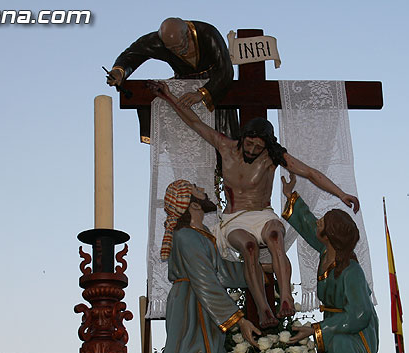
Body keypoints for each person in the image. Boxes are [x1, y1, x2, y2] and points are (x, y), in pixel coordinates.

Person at [150, 80, 360, 329]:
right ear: (242, 138)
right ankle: (263, 310)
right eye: (249, 144)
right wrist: (168, 97)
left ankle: (285, 299)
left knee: (274, 236)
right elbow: (194, 123)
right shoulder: (226, 147)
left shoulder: (272, 158)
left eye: (258, 147)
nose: (251, 150)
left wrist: (341, 193)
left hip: (262, 213)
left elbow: (311, 173)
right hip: (234, 218)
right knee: (249, 247)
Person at [160, 179, 260, 353]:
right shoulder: (185, 236)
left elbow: (221, 271)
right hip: (190, 303)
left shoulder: (201, 233)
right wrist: (239, 320)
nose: (203, 190)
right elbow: (205, 280)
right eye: (197, 190)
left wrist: (258, 269)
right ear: (194, 204)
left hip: (200, 301)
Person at [282, 173, 378, 353]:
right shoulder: (327, 250)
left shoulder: (352, 271)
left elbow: (360, 314)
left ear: (330, 234)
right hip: (335, 326)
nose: (319, 222)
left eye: (323, 221)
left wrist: (316, 330)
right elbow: (309, 224)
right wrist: (290, 195)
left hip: (354, 331)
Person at [107, 17, 237, 143]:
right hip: (183, 87)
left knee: (223, 138)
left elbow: (225, 69)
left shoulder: (207, 33)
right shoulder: (157, 41)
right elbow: (132, 54)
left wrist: (202, 93)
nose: (177, 52)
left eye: (179, 46)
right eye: (171, 49)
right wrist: (119, 71)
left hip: (214, 87)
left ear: (187, 34)